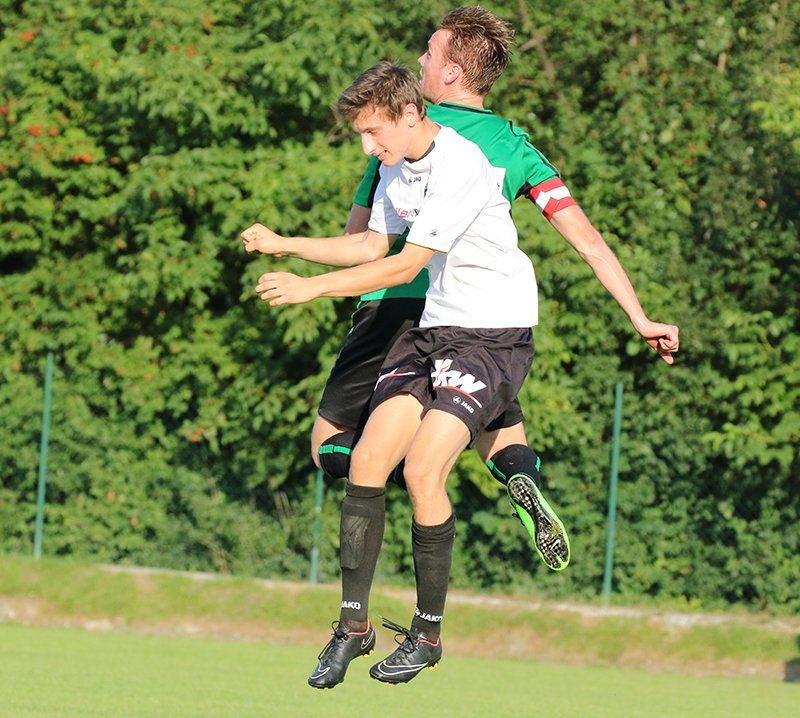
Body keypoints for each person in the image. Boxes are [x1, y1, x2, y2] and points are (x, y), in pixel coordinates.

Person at [246, 62, 680, 688]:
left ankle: (426, 635)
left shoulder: (462, 165)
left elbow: (404, 267)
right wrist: (284, 243)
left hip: (492, 332)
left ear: (409, 113)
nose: (367, 147)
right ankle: (353, 627)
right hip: (434, 328)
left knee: (423, 470)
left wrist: (309, 288)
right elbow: (369, 246)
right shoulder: (396, 164)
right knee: (368, 460)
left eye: (372, 132)